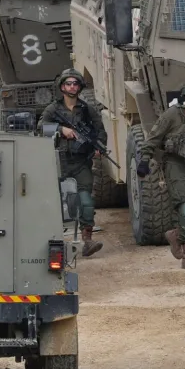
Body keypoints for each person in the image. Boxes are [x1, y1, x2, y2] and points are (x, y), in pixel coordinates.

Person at [136, 78, 185, 269]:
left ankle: (176, 235)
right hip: (177, 167)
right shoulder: (172, 115)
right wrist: (144, 161)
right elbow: (152, 139)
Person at [38, 69, 107, 257]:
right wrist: (61, 130)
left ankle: (87, 240)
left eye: (75, 84)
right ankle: (49, 241)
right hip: (58, 162)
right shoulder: (53, 109)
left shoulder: (87, 110)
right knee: (52, 204)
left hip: (80, 162)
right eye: (68, 84)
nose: (72, 87)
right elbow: (41, 127)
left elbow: (100, 132)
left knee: (86, 203)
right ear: (62, 87)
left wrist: (99, 148)